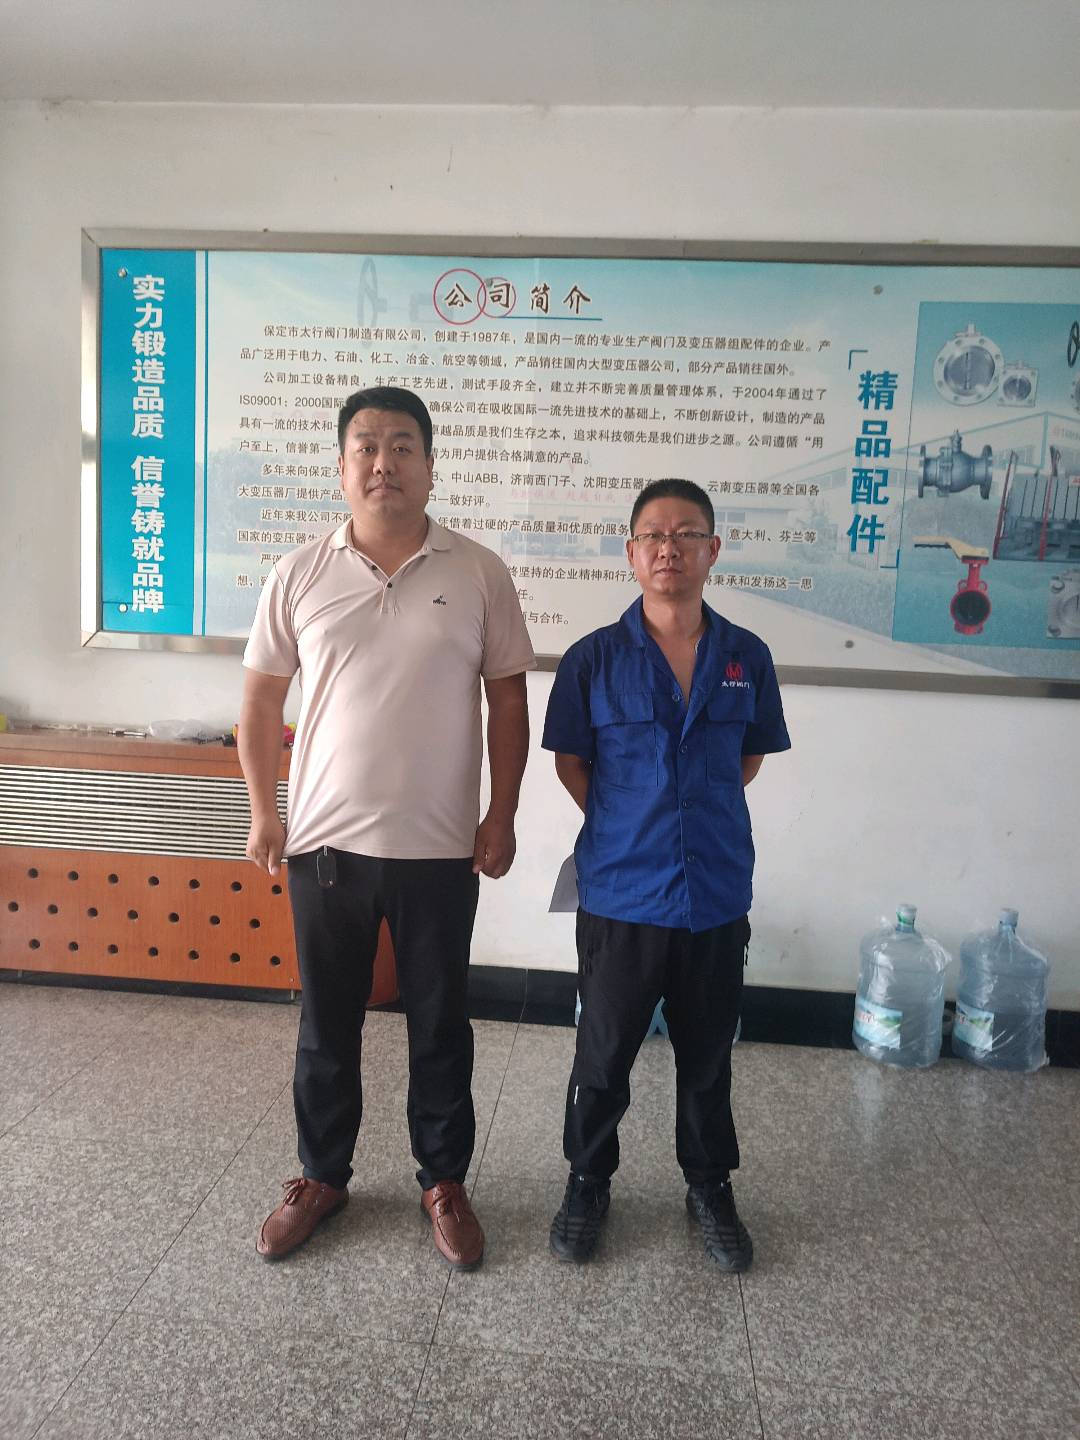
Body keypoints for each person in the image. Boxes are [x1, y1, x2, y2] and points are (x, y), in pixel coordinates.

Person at [239, 385, 535, 1271]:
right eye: (365, 447)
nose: (383, 463)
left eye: (403, 446)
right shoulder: (298, 572)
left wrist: (501, 812)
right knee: (327, 1024)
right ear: (341, 468)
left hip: (439, 847)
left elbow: (508, 702)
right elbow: (260, 702)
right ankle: (321, 1177)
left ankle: (443, 1180)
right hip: (324, 847)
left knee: (440, 1022)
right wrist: (264, 810)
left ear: (431, 466)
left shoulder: (478, 570)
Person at [541, 478, 790, 1269]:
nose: (669, 547)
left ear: (713, 550)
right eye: (653, 534)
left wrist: (690, 815)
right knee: (603, 1054)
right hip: (620, 893)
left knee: (708, 1057)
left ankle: (709, 1188)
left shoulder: (746, 657)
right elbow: (572, 763)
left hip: (714, 891)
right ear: (631, 553)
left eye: (687, 534)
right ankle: (588, 1182)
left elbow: (749, 757)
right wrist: (631, 822)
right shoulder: (593, 659)